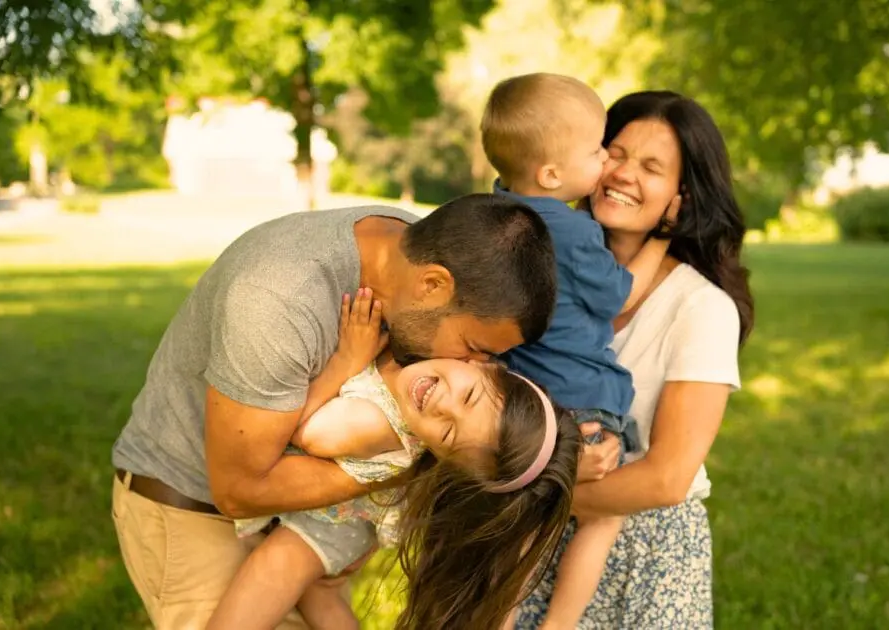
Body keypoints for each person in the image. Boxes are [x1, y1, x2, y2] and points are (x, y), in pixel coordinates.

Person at [110, 193, 559, 628]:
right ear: (434, 284)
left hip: (283, 521)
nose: (472, 366)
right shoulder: (277, 300)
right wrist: (402, 471)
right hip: (195, 512)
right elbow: (239, 490)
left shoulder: (409, 256)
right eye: (474, 348)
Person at [514, 90, 755, 629]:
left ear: (681, 197)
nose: (622, 174)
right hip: (521, 546)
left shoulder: (701, 308)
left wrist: (535, 496)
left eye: (651, 167)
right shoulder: (530, 263)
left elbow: (666, 479)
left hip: (642, 554)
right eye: (615, 153)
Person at [207, 289, 581, 630]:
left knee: (272, 572)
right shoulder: (424, 355)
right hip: (352, 520)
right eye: (468, 397)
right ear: (485, 364)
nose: (442, 405)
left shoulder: (377, 424)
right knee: (318, 596)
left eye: (448, 433)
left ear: (440, 456)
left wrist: (347, 359)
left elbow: (308, 433)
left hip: (330, 526)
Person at [481, 73, 679, 629]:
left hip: (521, 399)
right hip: (583, 400)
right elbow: (617, 293)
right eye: (599, 151)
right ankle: (559, 624)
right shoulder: (569, 233)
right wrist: (663, 239)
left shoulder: (492, 213)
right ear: (552, 174)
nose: (606, 166)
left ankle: (497, 618)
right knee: (601, 519)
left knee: (518, 527)